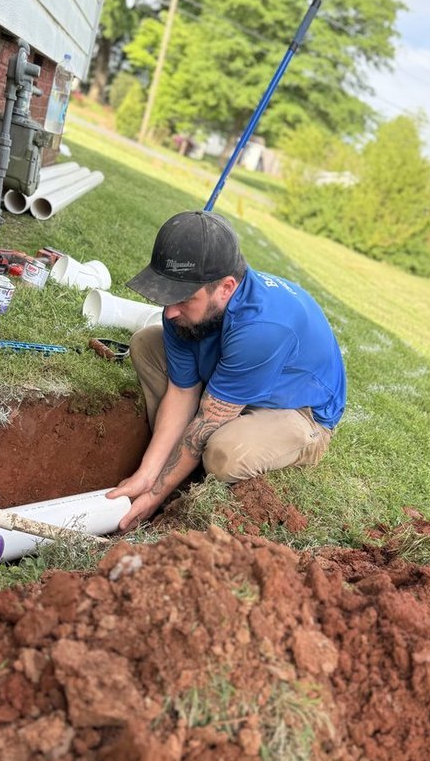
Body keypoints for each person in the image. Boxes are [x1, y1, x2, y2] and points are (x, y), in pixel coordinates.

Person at [106, 210, 346, 531]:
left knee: (223, 453)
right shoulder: (181, 307)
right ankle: (173, 466)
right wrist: (147, 475)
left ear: (226, 288)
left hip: (299, 411)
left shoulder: (262, 327)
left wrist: (155, 496)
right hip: (234, 381)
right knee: (147, 344)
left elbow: (208, 422)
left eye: (184, 299)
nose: (170, 310)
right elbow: (181, 392)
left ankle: (191, 473)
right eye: (167, 295)